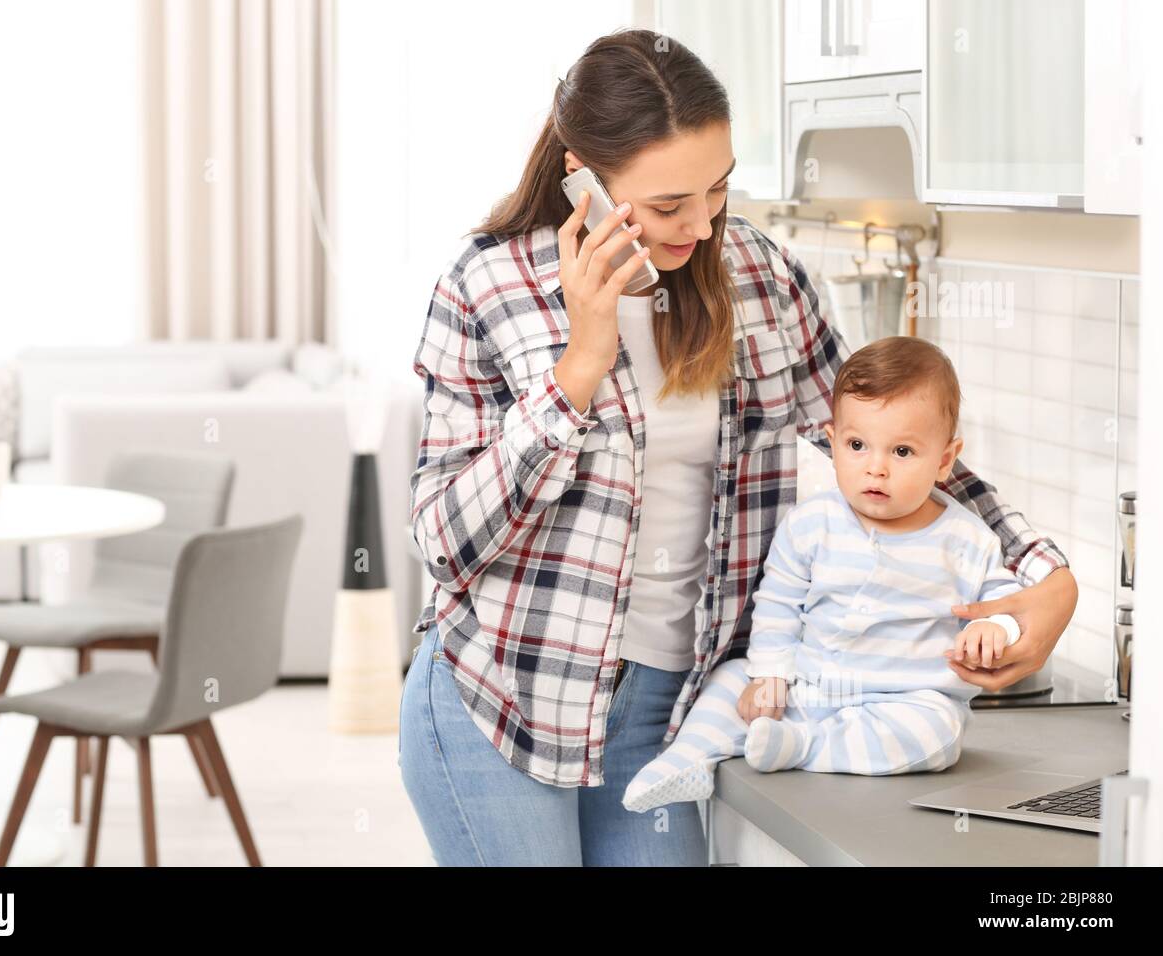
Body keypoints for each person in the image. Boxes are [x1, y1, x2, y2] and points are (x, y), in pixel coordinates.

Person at [398, 27, 1079, 867]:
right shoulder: (489, 285)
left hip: (668, 710)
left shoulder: (762, 278)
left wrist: (1047, 574)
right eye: (666, 206)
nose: (702, 223)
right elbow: (443, 540)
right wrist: (579, 365)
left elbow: (894, 445)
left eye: (715, 190)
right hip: (502, 698)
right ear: (583, 177)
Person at [622, 337, 1026, 813]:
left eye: (901, 452)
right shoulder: (812, 524)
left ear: (943, 460)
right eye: (857, 445)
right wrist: (771, 674)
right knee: (729, 680)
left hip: (902, 700)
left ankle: (802, 746)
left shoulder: (966, 538)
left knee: (936, 735)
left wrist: (994, 627)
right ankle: (685, 760)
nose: (875, 468)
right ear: (832, 443)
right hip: (807, 687)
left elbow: (1005, 597)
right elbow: (777, 605)